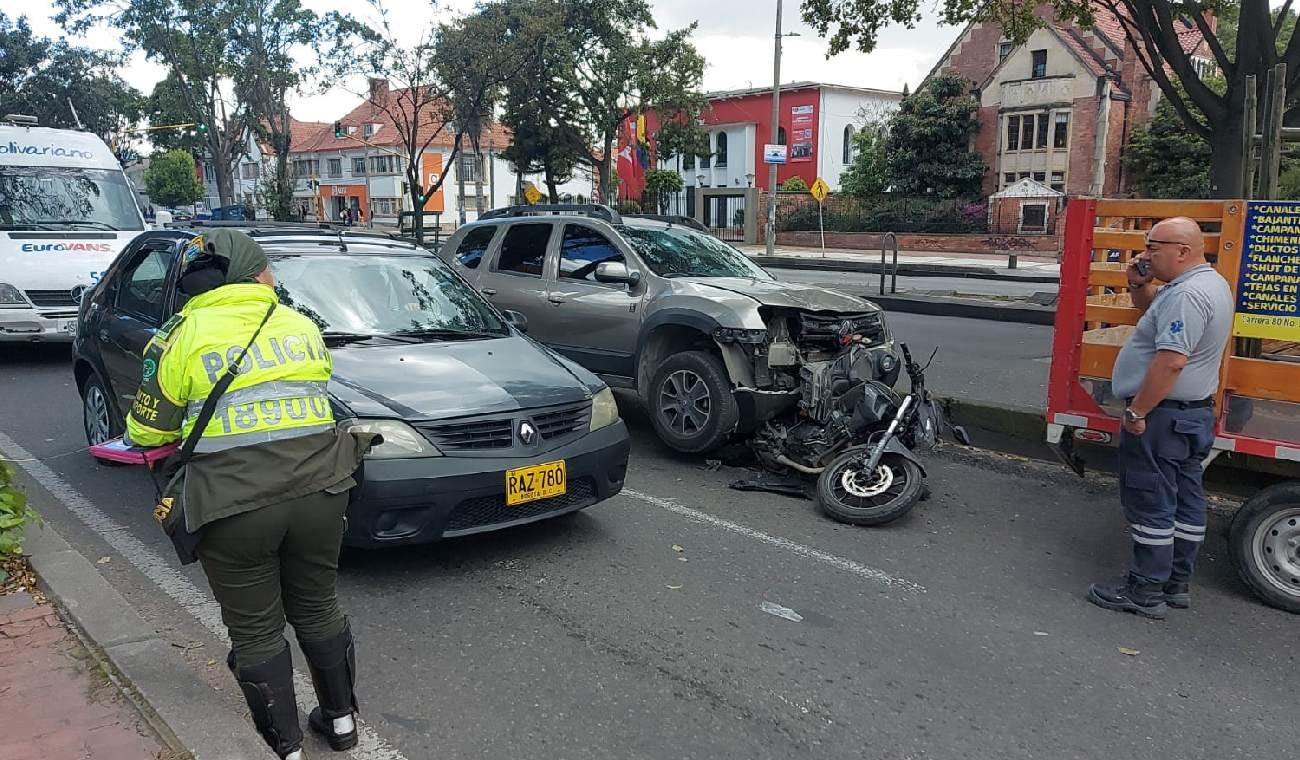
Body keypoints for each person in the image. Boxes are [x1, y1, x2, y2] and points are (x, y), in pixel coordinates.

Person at [125, 229, 375, 758]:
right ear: (255, 273)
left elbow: (146, 432)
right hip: (320, 489)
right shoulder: (300, 324)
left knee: (256, 630)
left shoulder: (178, 336)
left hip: (231, 504)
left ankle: (286, 748)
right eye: (268, 269)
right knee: (318, 606)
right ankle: (342, 722)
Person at [1087, 217, 1233, 620]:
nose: (1145, 254)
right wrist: (1138, 284)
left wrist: (1138, 411)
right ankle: (1175, 583)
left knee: (1151, 501)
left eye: (1153, 247)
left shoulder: (1188, 296)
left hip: (1162, 417)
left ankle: (1145, 590)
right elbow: (1154, 310)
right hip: (1190, 415)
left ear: (1182, 251)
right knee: (1185, 501)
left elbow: (1170, 362)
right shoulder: (1205, 285)